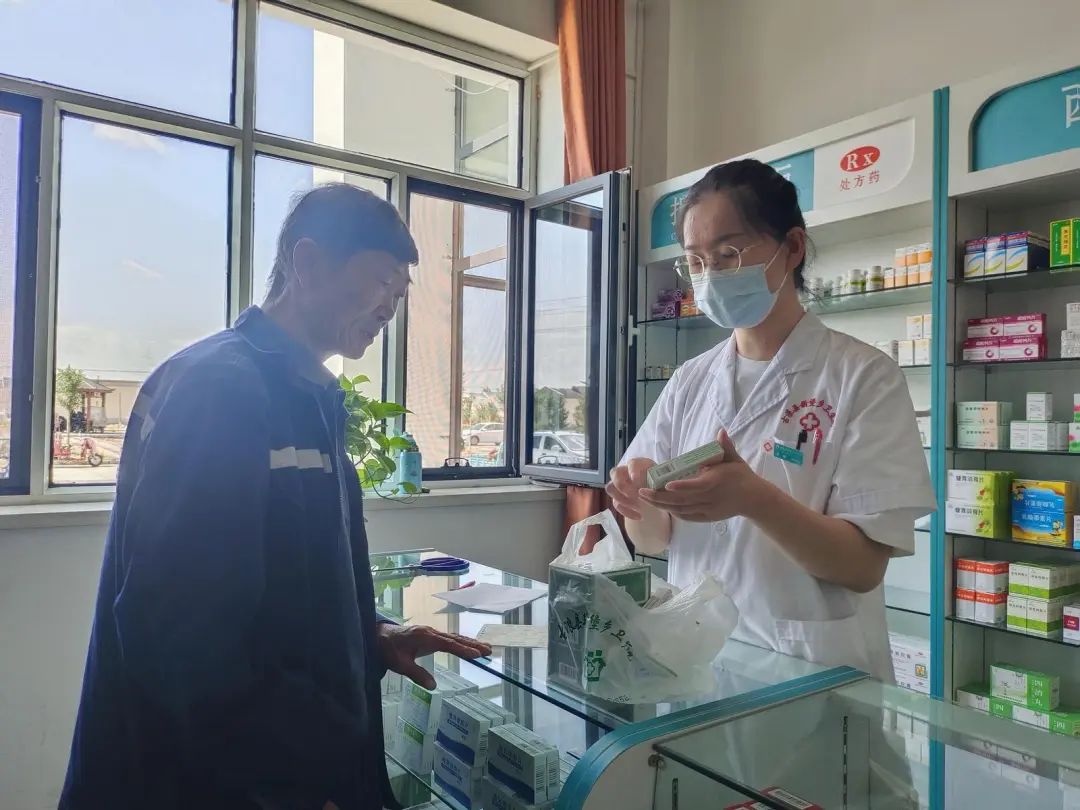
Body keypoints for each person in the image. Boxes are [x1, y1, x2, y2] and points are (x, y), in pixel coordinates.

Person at [61, 184, 491, 810]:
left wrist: (370, 636)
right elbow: (182, 639)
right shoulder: (221, 389)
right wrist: (295, 789)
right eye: (380, 283)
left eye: (399, 295)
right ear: (307, 263)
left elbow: (294, 587)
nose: (389, 309)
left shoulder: (305, 395)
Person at [608, 159, 934, 681]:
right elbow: (652, 541)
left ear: (793, 247)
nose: (711, 274)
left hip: (812, 673)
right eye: (695, 261)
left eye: (729, 253)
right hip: (697, 660)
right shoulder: (690, 380)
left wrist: (755, 500)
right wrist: (638, 498)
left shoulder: (863, 376)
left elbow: (862, 567)